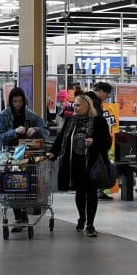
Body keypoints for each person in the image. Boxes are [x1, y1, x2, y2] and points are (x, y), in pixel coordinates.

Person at [47, 94, 112, 237]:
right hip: (75, 163)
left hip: (92, 163)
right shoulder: (71, 120)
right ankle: (82, 218)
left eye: (78, 105)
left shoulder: (99, 121)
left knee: (92, 193)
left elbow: (107, 142)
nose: (75, 108)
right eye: (74, 105)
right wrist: (53, 152)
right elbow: (61, 138)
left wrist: (94, 142)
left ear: (87, 106)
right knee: (80, 193)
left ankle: (90, 224)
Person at [0, 87, 48, 231]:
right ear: (10, 101)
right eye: (14, 101)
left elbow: (45, 130)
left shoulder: (31, 115)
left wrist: (36, 130)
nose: (17, 104)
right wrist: (14, 132)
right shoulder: (4, 115)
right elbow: (0, 135)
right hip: (11, 156)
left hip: (28, 155)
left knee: (28, 185)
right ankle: (20, 217)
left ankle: (25, 212)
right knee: (13, 185)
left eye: (20, 101)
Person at [86, 82, 114, 199]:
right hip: (95, 141)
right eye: (106, 95)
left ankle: (94, 190)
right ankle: (96, 190)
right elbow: (96, 123)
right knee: (98, 166)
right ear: (101, 91)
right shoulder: (93, 102)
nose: (106, 97)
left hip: (92, 140)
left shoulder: (88, 99)